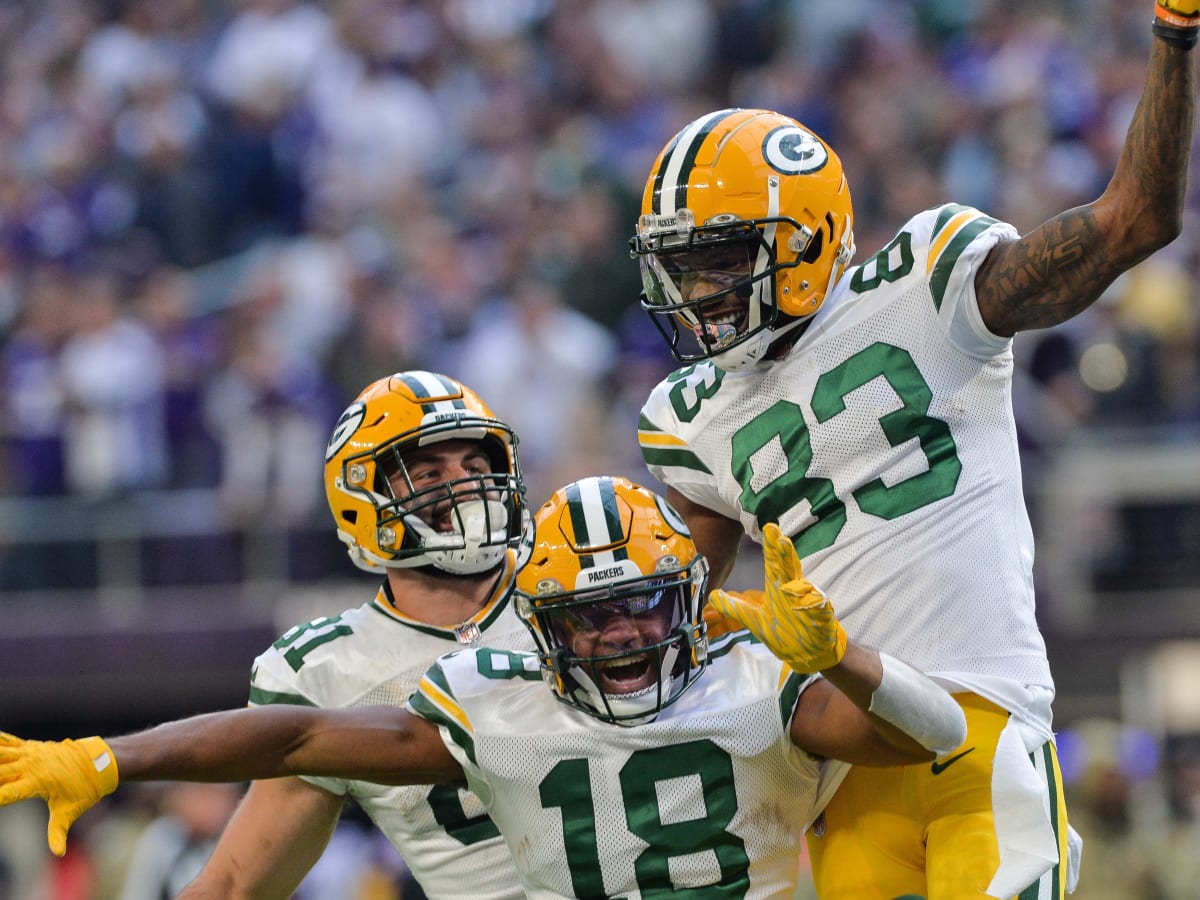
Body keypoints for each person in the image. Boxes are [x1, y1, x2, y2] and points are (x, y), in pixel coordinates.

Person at [627, 2, 1199, 897]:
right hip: (845, 765)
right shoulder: (688, 417)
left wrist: (1173, 31)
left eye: (723, 261)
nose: (699, 293)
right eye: (682, 268)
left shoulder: (929, 286)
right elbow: (673, 625)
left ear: (808, 239)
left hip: (982, 727)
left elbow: (1137, 220)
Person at [0, 475, 966, 898]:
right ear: (540, 627)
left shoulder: (757, 678)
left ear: (689, 601)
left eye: (640, 605)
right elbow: (292, 738)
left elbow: (937, 735)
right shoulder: (492, 703)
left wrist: (838, 652)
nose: (622, 632)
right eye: (591, 616)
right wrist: (107, 756)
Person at [180, 369, 537, 899]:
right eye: (429, 473)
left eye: (475, 464)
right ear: (360, 495)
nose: (463, 484)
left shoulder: (574, 588)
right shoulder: (330, 670)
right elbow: (235, 884)